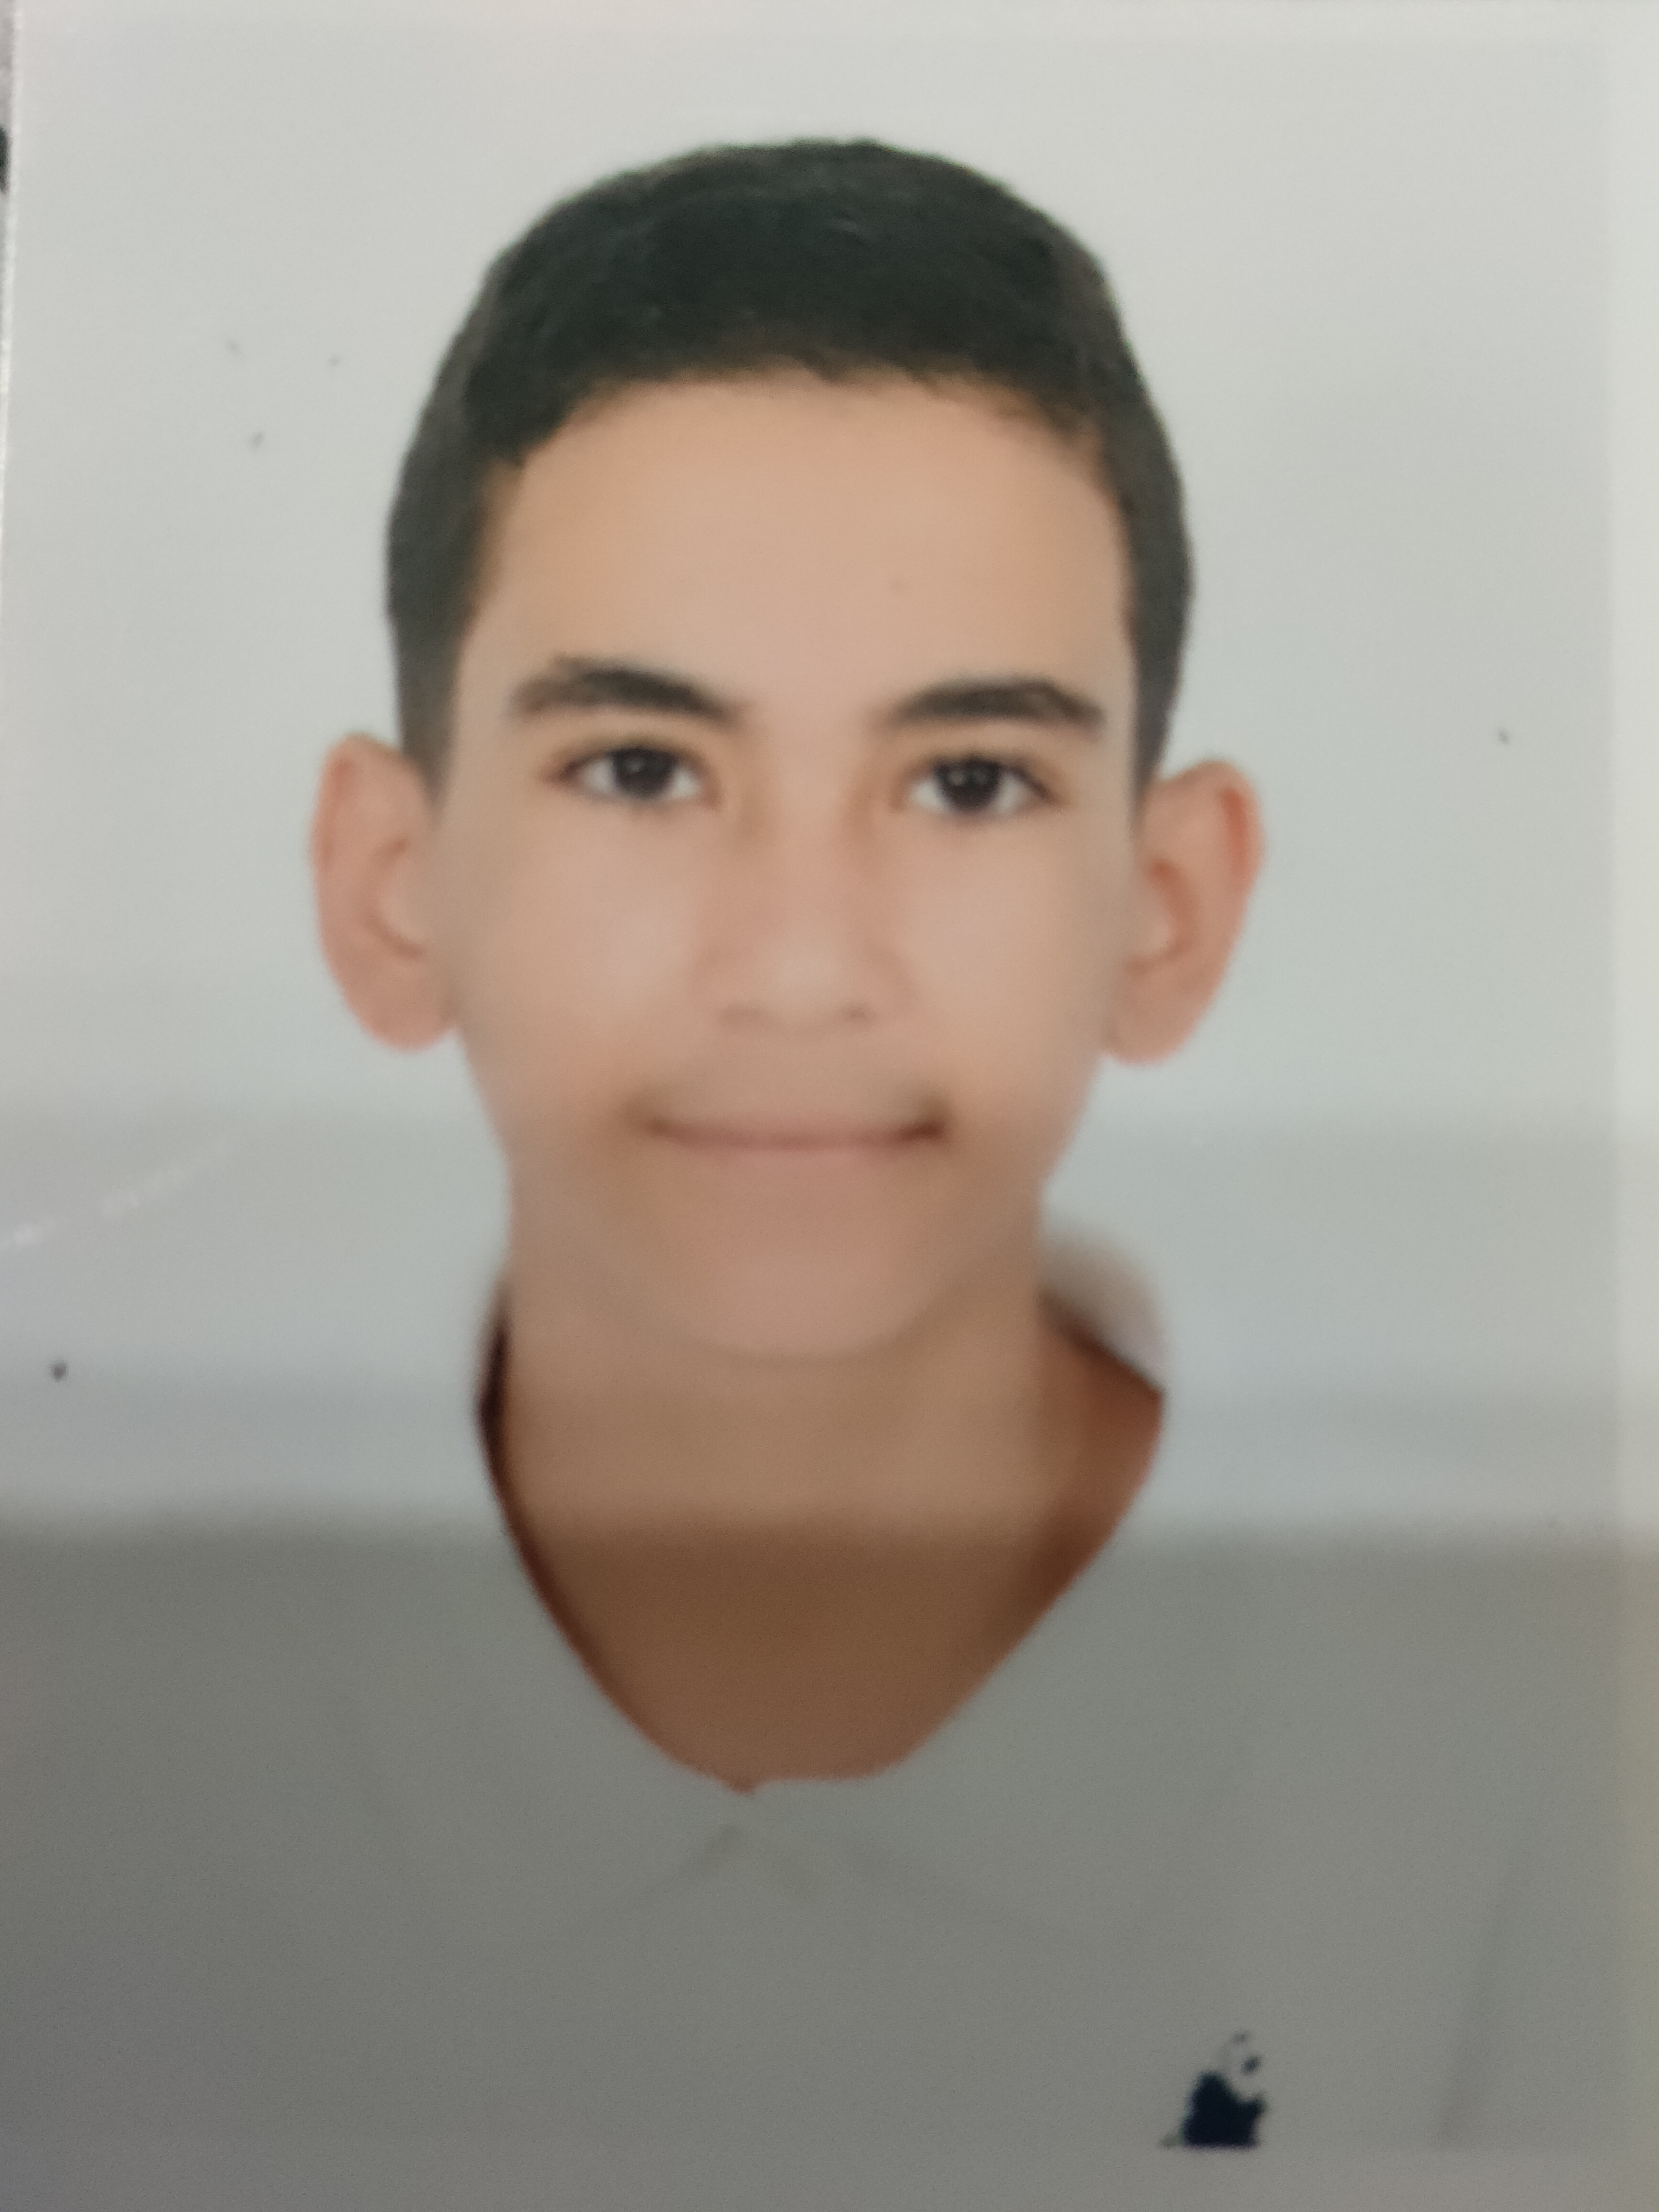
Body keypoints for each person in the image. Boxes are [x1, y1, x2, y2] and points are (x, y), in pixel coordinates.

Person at [0, 139, 1628, 2201]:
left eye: (969, 782)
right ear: (393, 886)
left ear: (1166, 907)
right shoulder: (66, 1747)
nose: (796, 963)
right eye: (641, 768)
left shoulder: (1555, 1748)